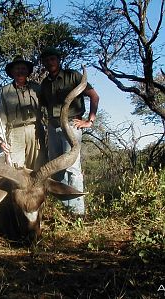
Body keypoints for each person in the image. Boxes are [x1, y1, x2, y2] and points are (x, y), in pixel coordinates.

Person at [40, 47, 100, 215]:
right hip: (52, 128)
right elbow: (44, 105)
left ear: (58, 60)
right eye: (46, 60)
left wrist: (90, 121)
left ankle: (78, 213)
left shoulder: (73, 75)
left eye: (52, 59)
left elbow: (94, 96)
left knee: (72, 169)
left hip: (72, 126)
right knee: (56, 170)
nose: (49, 62)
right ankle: (62, 212)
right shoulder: (45, 83)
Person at [0, 56, 46, 170]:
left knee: (37, 170)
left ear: (27, 71)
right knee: (16, 172)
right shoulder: (5, 91)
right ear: (12, 72)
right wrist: (1, 140)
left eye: (23, 68)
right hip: (14, 133)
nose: (20, 71)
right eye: (17, 69)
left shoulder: (37, 88)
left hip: (36, 132)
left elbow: (49, 108)